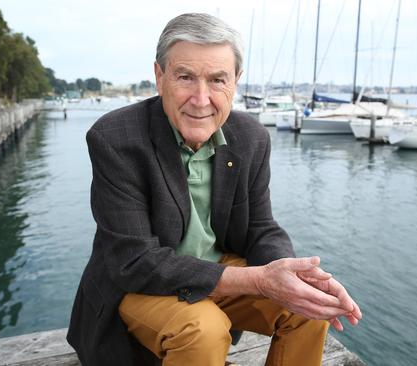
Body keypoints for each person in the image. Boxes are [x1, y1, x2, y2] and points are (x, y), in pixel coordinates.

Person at [67, 13, 362, 366]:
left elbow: (260, 228)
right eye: (185, 77)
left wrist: (297, 277)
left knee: (308, 306)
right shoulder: (116, 138)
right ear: (160, 77)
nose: (201, 98)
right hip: (139, 285)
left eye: (217, 79)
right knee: (203, 330)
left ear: (235, 81)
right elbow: (135, 262)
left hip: (216, 272)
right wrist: (258, 280)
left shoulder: (251, 138)